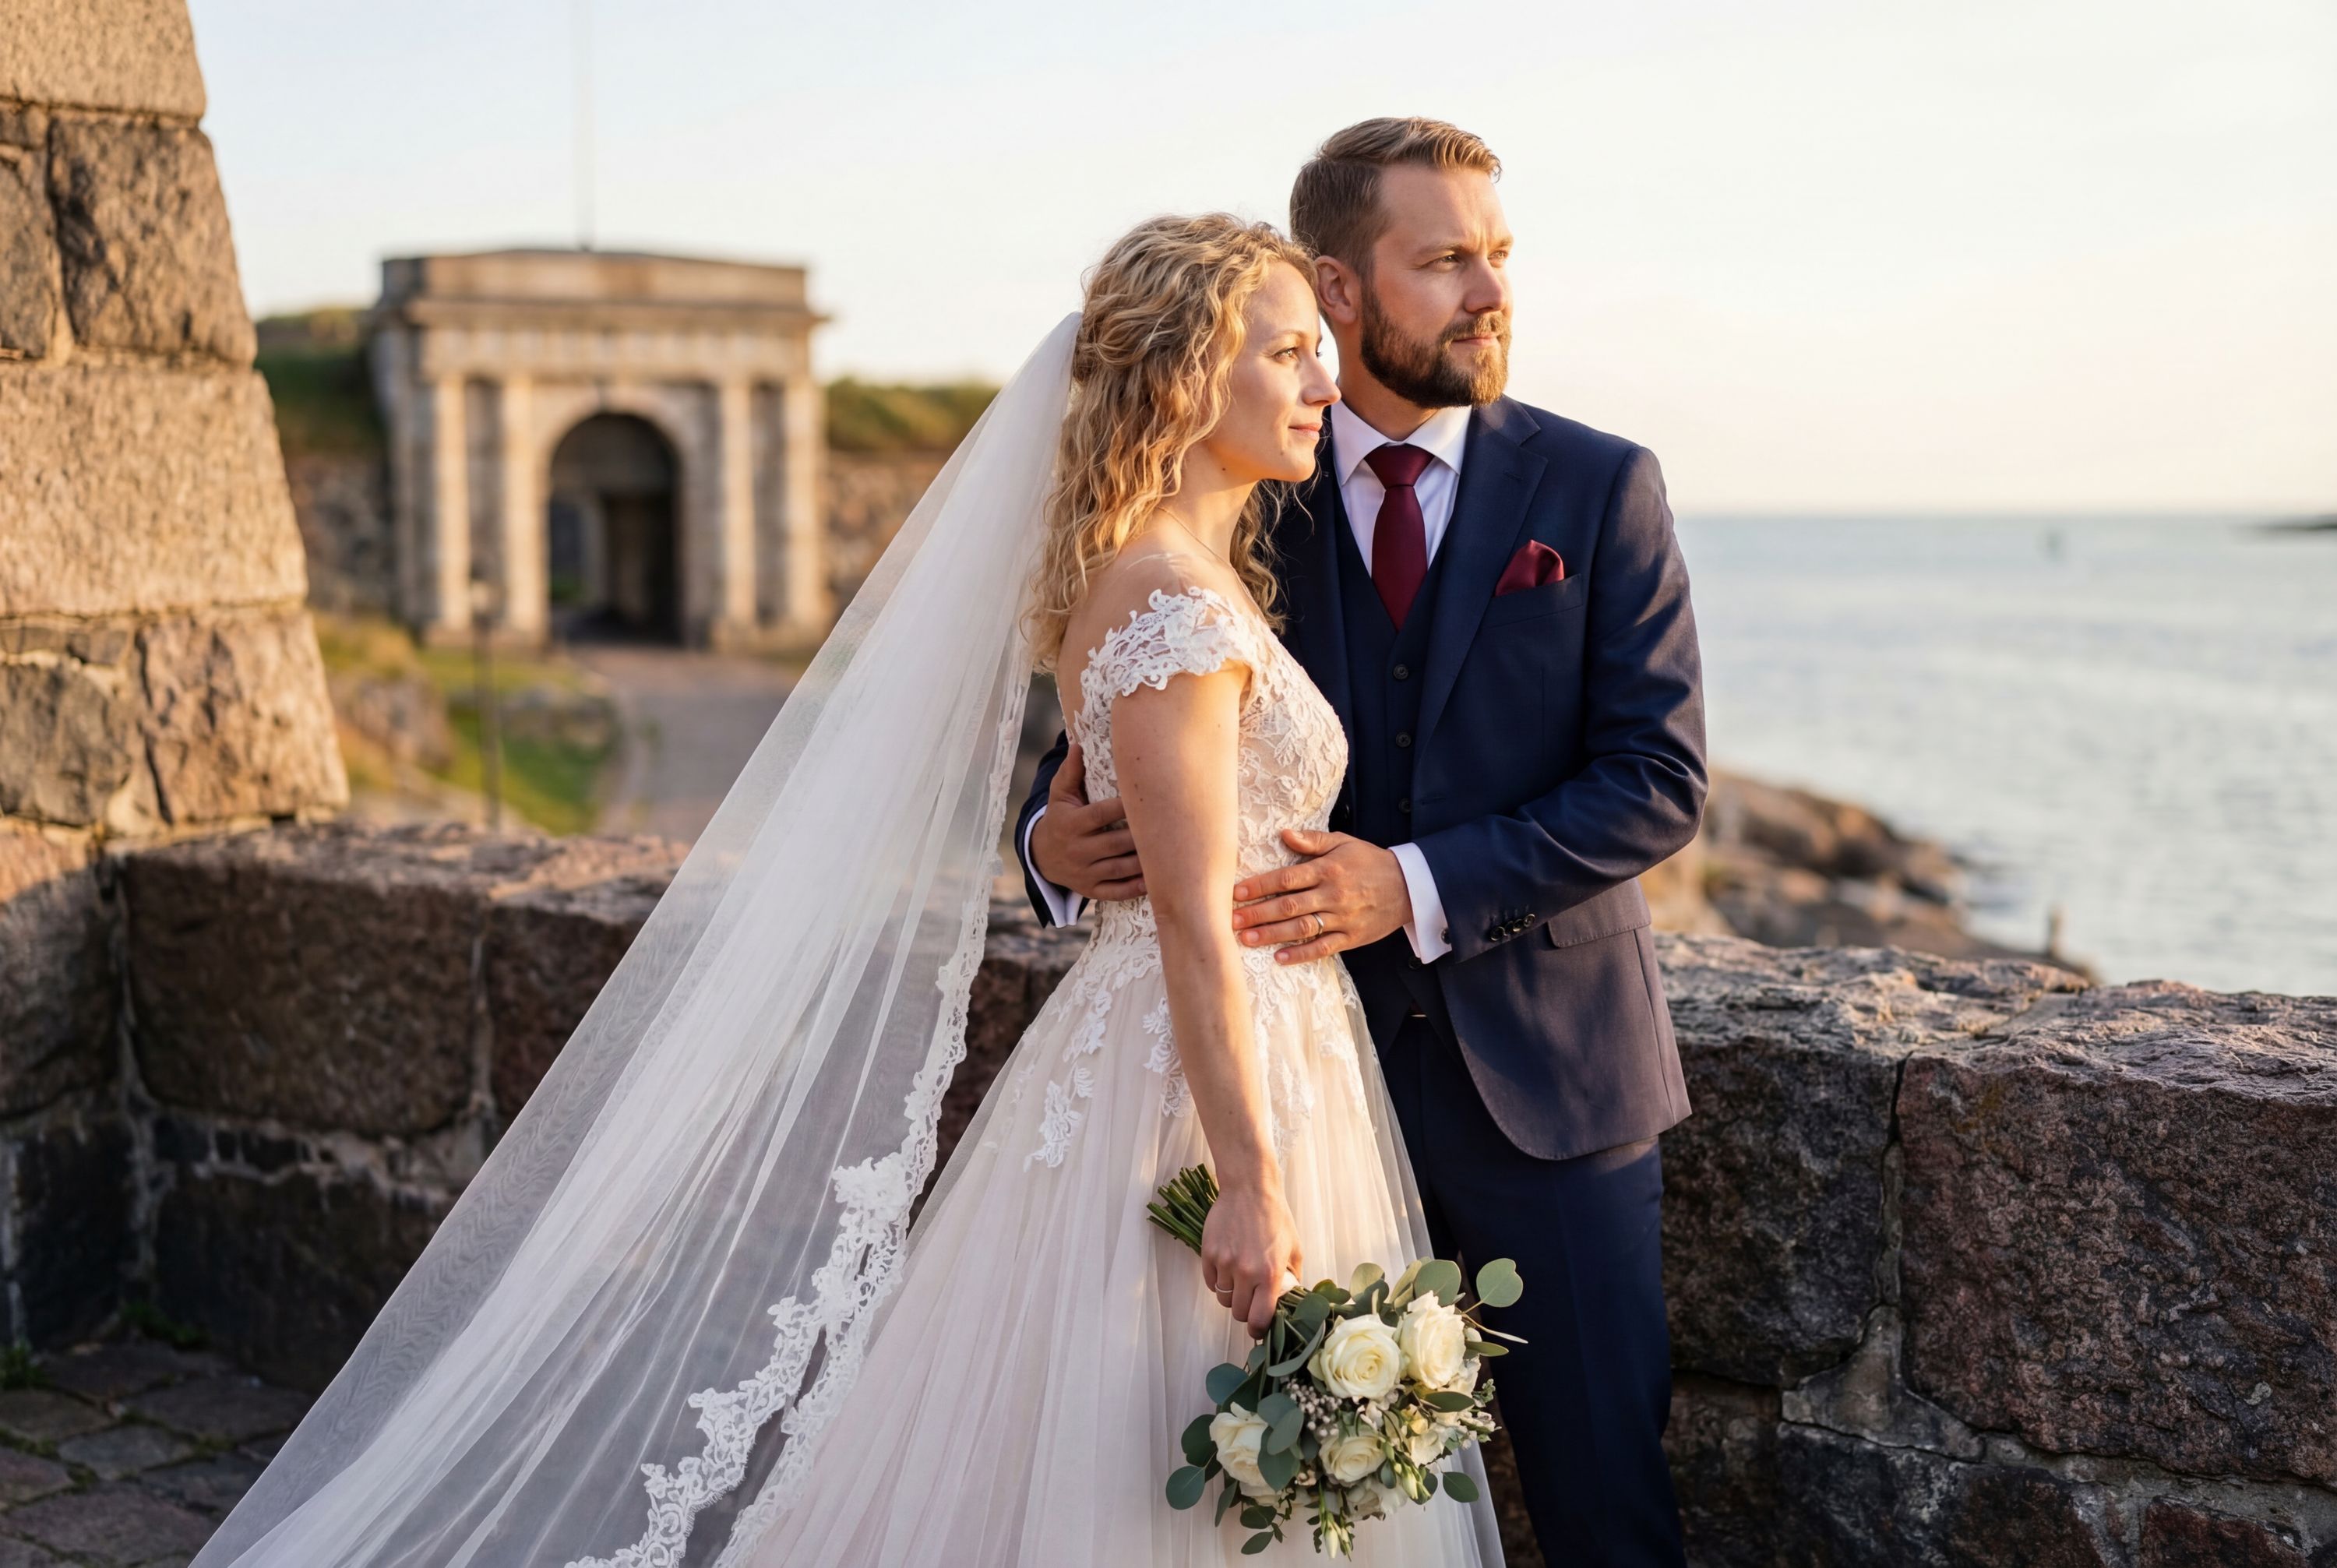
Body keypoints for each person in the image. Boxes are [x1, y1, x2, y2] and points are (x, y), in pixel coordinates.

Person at [192, 213, 1502, 1568]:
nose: (1323, 382)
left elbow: (1141, 834)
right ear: (1181, 373)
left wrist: (1056, 845)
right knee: (1159, 1436)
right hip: (1204, 1075)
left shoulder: (1166, 582)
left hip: (1220, 1049)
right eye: (1286, 351)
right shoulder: (1173, 605)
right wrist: (1246, 1177)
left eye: (1318, 351)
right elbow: (1185, 911)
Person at [1020, 118, 1707, 1565]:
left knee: (1606, 1508)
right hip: (1299, 1104)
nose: (1489, 292)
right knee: (1296, 1522)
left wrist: (1413, 882)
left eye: (1498, 255)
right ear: (1337, 288)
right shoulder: (1239, 482)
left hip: (1554, 1096)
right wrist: (1049, 836)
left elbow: (1656, 778)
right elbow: (1106, 731)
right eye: (1444, 258)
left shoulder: (1599, 488)